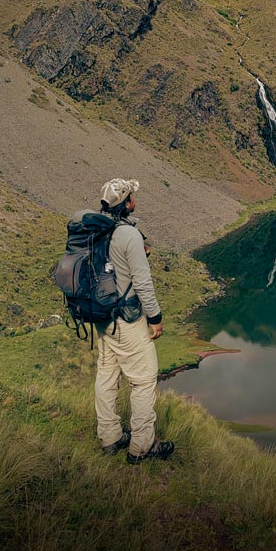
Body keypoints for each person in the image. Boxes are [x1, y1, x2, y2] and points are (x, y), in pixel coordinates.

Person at [94, 177, 174, 464]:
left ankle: (110, 436)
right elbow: (142, 281)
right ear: (126, 202)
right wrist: (155, 317)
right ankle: (142, 445)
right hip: (127, 319)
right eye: (132, 198)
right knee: (144, 379)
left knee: (107, 375)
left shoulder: (96, 230)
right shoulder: (128, 235)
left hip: (103, 318)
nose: (135, 202)